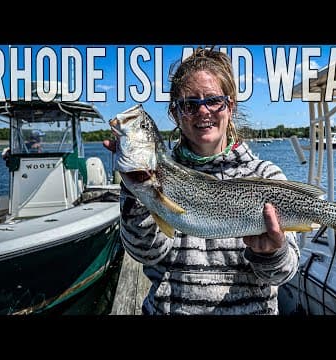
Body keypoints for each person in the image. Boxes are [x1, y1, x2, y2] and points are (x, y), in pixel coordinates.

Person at [104, 48, 300, 315]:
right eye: (190, 104)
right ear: (176, 113)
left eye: (213, 100)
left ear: (230, 107)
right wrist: (136, 190)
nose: (203, 111)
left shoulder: (266, 177)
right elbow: (146, 254)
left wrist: (271, 253)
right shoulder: (157, 178)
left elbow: (283, 274)